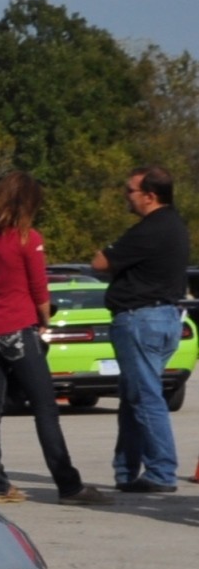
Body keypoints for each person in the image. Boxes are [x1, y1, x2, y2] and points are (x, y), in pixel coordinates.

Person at [0, 172, 103, 505]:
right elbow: (39, 290)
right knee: (44, 407)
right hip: (18, 329)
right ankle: (68, 485)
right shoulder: (27, 238)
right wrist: (45, 321)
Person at [92, 165, 187, 493]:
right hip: (163, 318)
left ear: (150, 196)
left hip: (140, 320)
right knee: (135, 396)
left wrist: (110, 247)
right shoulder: (173, 225)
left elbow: (100, 262)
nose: (125, 196)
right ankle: (127, 470)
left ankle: (162, 471)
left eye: (129, 191)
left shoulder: (150, 229)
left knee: (145, 397)